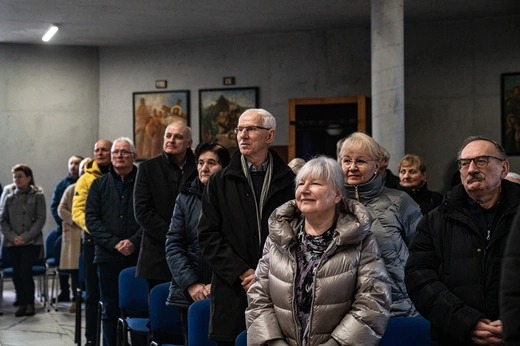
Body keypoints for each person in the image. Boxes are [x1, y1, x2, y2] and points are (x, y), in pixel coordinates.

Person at [246, 156, 391, 346]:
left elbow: (373, 300)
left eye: (315, 184)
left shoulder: (361, 239)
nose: (304, 190)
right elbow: (259, 295)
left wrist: (335, 344)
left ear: (337, 195)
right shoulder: (279, 237)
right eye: (300, 184)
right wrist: (274, 342)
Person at [405, 135, 519, 345]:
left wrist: (515, 322)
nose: (472, 169)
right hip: (455, 337)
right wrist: (466, 322)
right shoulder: (435, 221)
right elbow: (419, 278)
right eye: (465, 163)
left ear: (503, 169)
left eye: (481, 161)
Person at [198, 108, 295, 345]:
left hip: (278, 286)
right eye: (239, 129)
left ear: (269, 136)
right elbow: (208, 236)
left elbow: (297, 235)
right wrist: (243, 272)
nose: (242, 135)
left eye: (251, 129)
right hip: (232, 288)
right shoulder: (219, 182)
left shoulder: (290, 181)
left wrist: (266, 273)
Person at [339, 132, 422, 316]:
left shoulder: (400, 202)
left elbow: (424, 254)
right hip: (346, 314)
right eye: (346, 161)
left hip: (397, 309)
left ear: (377, 165)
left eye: (360, 161)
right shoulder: (331, 205)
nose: (352, 167)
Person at [165, 142, 231, 345]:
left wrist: (217, 284)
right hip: (189, 291)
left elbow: (237, 245)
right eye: (201, 162)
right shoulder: (185, 198)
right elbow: (173, 244)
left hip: (226, 290)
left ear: (224, 167)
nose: (204, 168)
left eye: (212, 163)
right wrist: (192, 284)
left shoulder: (233, 197)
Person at [85, 137, 142, 346]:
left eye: (124, 152)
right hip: (107, 256)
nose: (119, 155)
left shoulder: (144, 181)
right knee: (110, 308)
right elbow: (91, 218)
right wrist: (114, 243)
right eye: (116, 152)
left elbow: (151, 216)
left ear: (134, 157)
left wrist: (134, 241)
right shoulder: (99, 184)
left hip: (138, 255)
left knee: (138, 308)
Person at [134, 121, 197, 293]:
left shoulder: (200, 167)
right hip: (157, 253)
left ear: (189, 143)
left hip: (194, 252)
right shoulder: (148, 168)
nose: (171, 140)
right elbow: (142, 211)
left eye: (178, 137)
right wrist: (173, 237)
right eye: (168, 136)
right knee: (160, 312)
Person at [72, 139, 112, 346]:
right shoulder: (86, 179)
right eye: (97, 150)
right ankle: (91, 338)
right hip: (92, 242)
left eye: (105, 149)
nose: (100, 153)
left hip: (116, 243)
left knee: (113, 296)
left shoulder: (119, 174)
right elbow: (77, 211)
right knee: (93, 293)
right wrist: (98, 230)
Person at [0, 164, 46, 317]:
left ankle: (30, 304)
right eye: (15, 177)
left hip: (31, 242)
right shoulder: (9, 197)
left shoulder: (38, 196)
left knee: (25, 272)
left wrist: (25, 237)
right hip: (12, 243)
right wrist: (13, 237)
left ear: (28, 178)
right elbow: (3, 220)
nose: (17, 180)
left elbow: (40, 219)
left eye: (20, 176)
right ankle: (21, 303)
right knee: (16, 274)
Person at [58, 157, 90, 313]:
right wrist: (74, 220)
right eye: (82, 168)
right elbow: (61, 209)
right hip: (75, 233)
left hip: (90, 234)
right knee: (75, 270)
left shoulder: (97, 186)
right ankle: (75, 299)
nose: (84, 171)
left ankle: (89, 298)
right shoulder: (71, 189)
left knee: (89, 270)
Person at [50, 155, 83, 302]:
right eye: (71, 163)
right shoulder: (63, 185)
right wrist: (67, 223)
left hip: (82, 230)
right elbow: (55, 207)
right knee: (59, 249)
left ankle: (80, 291)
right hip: (65, 228)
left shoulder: (85, 183)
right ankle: (64, 290)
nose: (74, 166)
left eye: (77, 163)